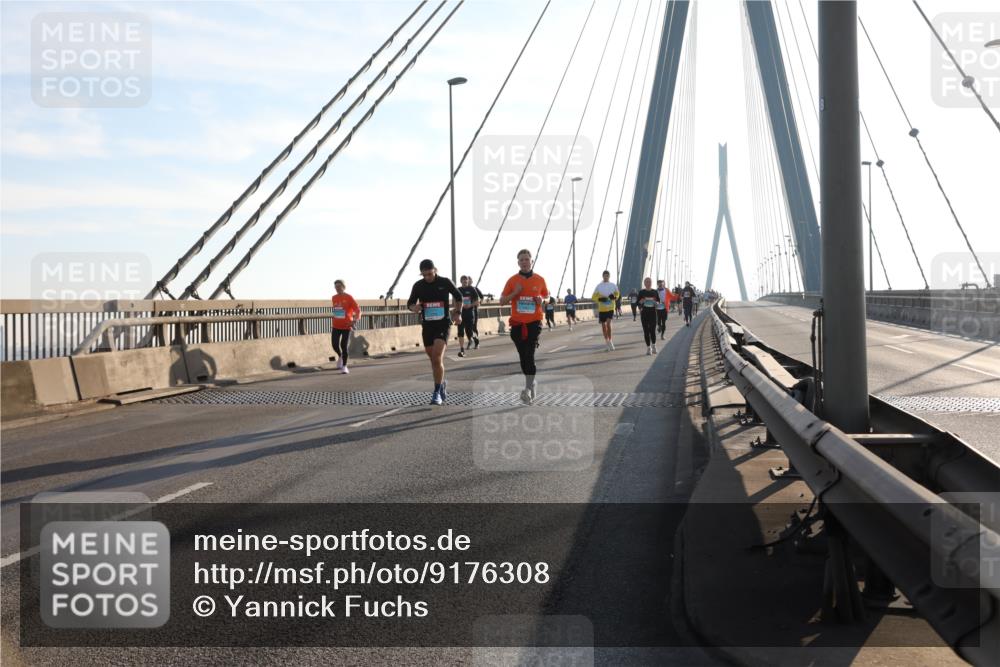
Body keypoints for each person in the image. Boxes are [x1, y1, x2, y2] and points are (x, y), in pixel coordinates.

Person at [407, 259, 463, 405]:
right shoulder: (418, 285)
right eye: (424, 275)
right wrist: (415, 308)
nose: (427, 277)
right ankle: (442, 382)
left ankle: (436, 392)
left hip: (443, 324)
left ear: (435, 270)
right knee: (433, 360)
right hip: (427, 325)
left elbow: (458, 296)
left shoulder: (445, 282)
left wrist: (458, 313)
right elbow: (410, 303)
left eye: (430, 274)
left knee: (437, 357)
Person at [500, 249, 548, 405]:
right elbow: (502, 301)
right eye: (522, 260)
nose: (525, 262)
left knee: (530, 355)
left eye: (527, 259)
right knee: (523, 357)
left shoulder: (540, 279)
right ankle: (531, 383)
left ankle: (527, 389)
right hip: (517, 324)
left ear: (531, 261)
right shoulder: (512, 280)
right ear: (518, 262)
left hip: (534, 323)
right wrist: (515, 293)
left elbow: (546, 296)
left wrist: (542, 300)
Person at [330, 279, 360, 374]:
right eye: (336, 287)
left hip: (346, 326)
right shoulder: (334, 297)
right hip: (335, 325)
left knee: (343, 345)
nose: (337, 288)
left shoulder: (349, 297)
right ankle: (340, 356)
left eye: (339, 286)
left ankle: (344, 366)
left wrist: (355, 320)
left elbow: (357, 309)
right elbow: (338, 311)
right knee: (335, 345)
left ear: (343, 287)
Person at [592, 270, 620, 351]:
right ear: (602, 276)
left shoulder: (613, 285)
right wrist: (600, 299)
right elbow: (593, 297)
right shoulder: (599, 286)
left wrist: (614, 297)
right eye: (604, 275)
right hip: (602, 309)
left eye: (607, 276)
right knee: (603, 326)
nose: (606, 277)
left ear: (609, 276)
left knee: (608, 324)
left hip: (610, 308)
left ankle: (610, 340)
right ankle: (607, 341)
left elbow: (617, 294)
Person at [456, 275, 480, 357]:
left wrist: (470, 305)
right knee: (460, 332)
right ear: (461, 281)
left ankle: (475, 340)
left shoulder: (472, 289)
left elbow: (477, 301)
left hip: (470, 313)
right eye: (463, 280)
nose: (465, 281)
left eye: (466, 280)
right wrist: (457, 309)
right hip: (461, 313)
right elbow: (455, 302)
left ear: (468, 281)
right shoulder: (458, 290)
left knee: (469, 331)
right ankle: (462, 349)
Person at [637, 277, 660, 355]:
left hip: (653, 313)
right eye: (646, 282)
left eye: (649, 282)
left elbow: (658, 302)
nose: (648, 283)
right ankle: (648, 348)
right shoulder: (641, 292)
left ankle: (654, 346)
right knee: (646, 331)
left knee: (652, 331)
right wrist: (641, 302)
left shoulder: (655, 292)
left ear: (651, 283)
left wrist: (656, 303)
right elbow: (638, 303)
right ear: (644, 283)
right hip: (644, 314)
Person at [472, 283, 485, 348]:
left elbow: (482, 297)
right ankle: (471, 340)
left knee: (473, 327)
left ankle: (476, 342)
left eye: (469, 280)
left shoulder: (475, 289)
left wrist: (479, 304)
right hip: (465, 312)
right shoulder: (462, 289)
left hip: (474, 311)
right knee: (468, 329)